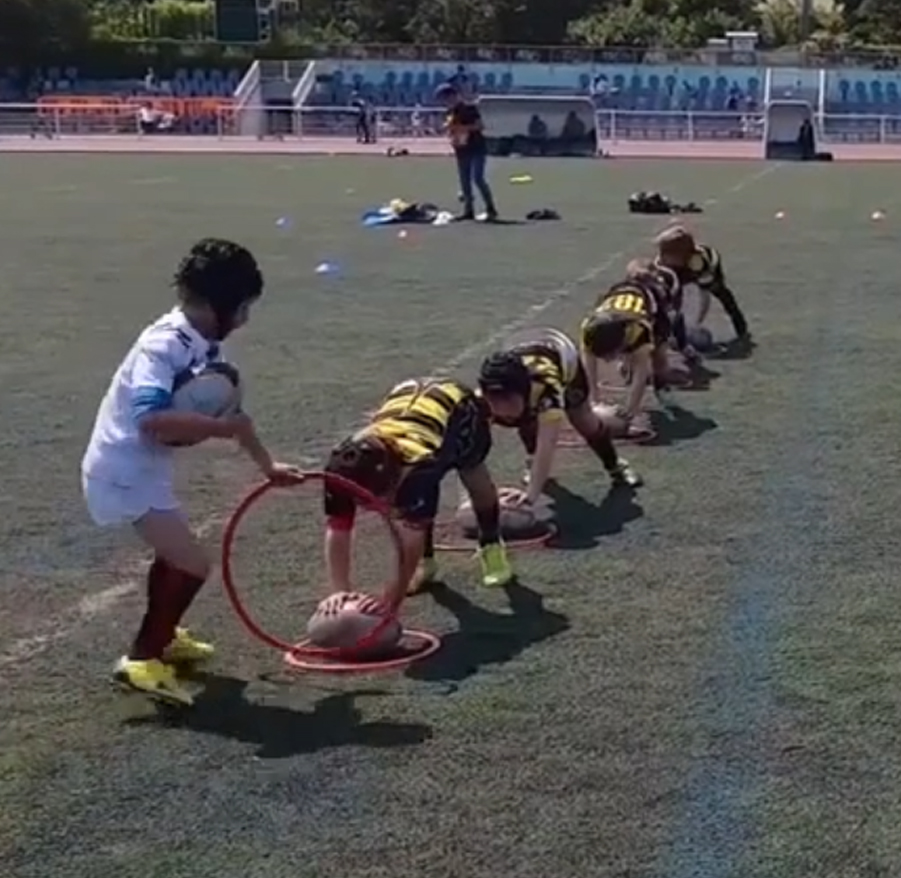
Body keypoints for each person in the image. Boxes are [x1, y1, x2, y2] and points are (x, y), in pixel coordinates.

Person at [81, 239, 300, 707]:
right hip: (123, 470)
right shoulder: (164, 345)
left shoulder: (203, 340)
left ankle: (163, 636)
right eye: (242, 308)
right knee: (193, 564)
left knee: (177, 555)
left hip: (145, 468)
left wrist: (268, 466)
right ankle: (142, 659)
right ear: (216, 305)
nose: (245, 319)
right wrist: (217, 429)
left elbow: (236, 415)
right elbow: (152, 419)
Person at [323, 378, 513, 602]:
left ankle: (491, 545)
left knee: (472, 474)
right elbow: (338, 529)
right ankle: (428, 563)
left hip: (460, 410)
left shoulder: (419, 466)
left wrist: (389, 605)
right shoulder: (338, 472)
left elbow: (409, 542)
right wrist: (339, 592)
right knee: (409, 506)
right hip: (408, 406)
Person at [477, 328, 642, 508]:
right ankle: (531, 462)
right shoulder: (480, 402)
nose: (502, 408)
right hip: (528, 354)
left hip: (563, 359)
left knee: (585, 423)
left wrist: (530, 496)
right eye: (495, 400)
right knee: (526, 421)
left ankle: (616, 466)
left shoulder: (546, 392)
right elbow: (470, 451)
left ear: (525, 389)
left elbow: (547, 445)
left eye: (508, 399)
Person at [581, 260, 682, 422]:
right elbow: (589, 369)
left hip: (652, 303)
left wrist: (631, 410)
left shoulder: (639, 331)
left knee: (659, 356)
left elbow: (641, 374)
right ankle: (627, 362)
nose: (607, 361)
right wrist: (594, 400)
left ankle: (662, 386)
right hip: (617, 295)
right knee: (629, 364)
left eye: (610, 355)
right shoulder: (588, 330)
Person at [654, 226, 752, 346]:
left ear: (680, 255)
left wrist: (697, 319)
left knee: (722, 295)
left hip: (702, 273)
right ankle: (670, 331)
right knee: (671, 298)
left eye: (665, 254)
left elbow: (708, 294)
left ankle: (741, 327)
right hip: (685, 270)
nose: (661, 257)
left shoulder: (700, 266)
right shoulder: (668, 262)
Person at [437, 82, 498, 222]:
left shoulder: (469, 108)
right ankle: (468, 210)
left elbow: (479, 126)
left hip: (476, 148)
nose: (445, 102)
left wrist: (460, 128)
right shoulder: (450, 113)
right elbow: (450, 128)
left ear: (453, 96)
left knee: (478, 178)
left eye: (445, 99)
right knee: (464, 181)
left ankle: (491, 209)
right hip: (461, 149)